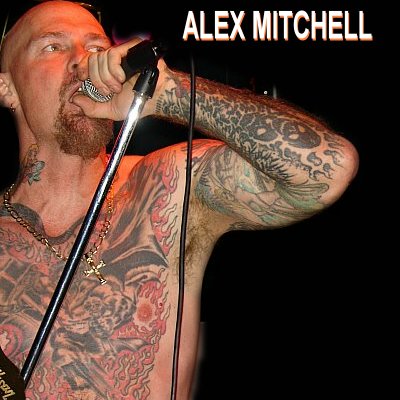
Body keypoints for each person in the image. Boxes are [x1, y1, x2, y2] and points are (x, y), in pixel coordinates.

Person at [0, 1, 358, 399]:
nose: (83, 61)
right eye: (53, 46)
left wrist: (166, 93)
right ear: (7, 87)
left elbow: (329, 167)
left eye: (96, 48)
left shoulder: (165, 183)